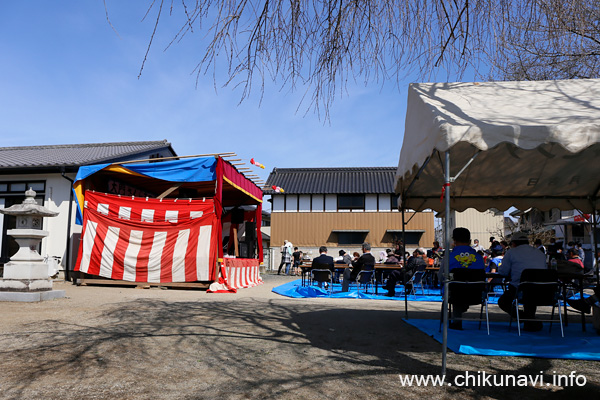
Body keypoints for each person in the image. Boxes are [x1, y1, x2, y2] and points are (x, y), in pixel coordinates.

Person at [497, 231, 547, 332]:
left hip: (519, 288)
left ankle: (525, 318)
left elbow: (503, 271)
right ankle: (530, 320)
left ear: (513, 243)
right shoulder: (539, 253)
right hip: (541, 288)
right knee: (530, 298)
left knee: (503, 302)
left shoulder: (511, 252)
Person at [442, 227, 485, 329]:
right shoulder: (479, 258)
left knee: (454, 286)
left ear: (454, 241)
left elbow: (441, 276)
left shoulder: (449, 257)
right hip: (476, 294)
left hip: (456, 294)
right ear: (470, 241)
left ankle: (457, 321)